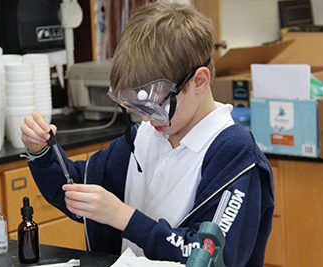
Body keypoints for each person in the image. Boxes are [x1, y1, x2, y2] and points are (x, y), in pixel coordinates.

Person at [20, 2, 274, 266]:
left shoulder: (235, 155)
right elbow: (74, 192)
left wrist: (124, 217)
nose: (145, 117)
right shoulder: (143, 137)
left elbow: (211, 257)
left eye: (155, 105)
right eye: (136, 106)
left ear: (199, 81)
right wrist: (41, 152)